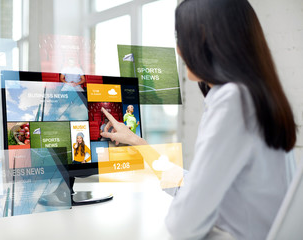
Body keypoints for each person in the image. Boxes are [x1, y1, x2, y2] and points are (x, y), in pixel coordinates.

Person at [100, 0, 297, 239]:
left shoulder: (233, 101)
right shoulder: (257, 94)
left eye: (180, 35)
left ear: (205, 39)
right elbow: (195, 183)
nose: (178, 48)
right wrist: (137, 142)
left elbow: (184, 224)